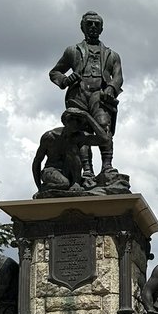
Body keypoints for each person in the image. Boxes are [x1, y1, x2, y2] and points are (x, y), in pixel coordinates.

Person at [49, 11, 123, 188]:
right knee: (79, 132)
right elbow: (55, 72)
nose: (93, 27)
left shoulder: (112, 55)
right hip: (78, 95)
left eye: (96, 24)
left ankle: (107, 166)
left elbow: (118, 77)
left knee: (103, 127)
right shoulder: (72, 51)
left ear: (102, 28)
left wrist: (111, 89)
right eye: (89, 24)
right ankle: (86, 171)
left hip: (100, 95)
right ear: (82, 27)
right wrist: (65, 81)